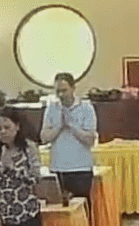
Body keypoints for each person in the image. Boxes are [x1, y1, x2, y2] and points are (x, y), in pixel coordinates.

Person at [41, 72, 98, 202]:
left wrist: (71, 125)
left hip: (81, 168)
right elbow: (44, 137)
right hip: (57, 167)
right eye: (58, 91)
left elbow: (90, 139)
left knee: (81, 207)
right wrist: (59, 126)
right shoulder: (51, 108)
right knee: (58, 206)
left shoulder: (86, 108)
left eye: (64, 90)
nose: (61, 95)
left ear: (73, 88)